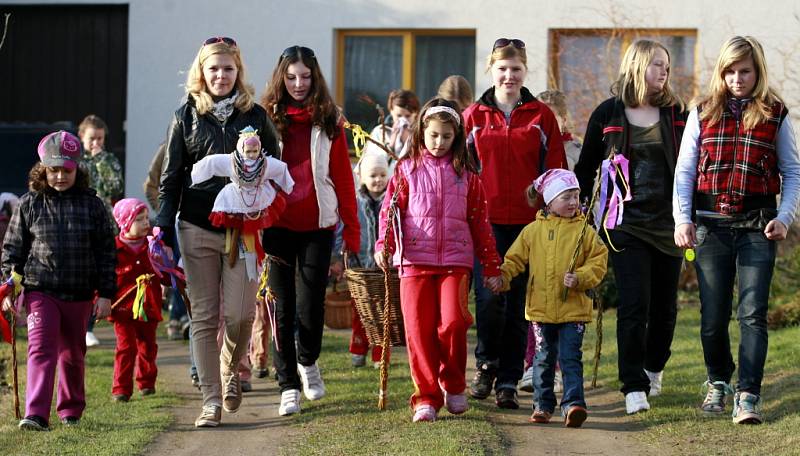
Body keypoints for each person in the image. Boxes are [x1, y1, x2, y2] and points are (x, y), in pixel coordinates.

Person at [673, 36, 800, 425]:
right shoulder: (703, 112)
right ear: (721, 72)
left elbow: (792, 171)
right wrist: (683, 219)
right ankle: (718, 381)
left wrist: (785, 216)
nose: (737, 78)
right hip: (710, 229)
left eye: (744, 71)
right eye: (730, 71)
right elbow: (685, 170)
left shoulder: (775, 114)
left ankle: (748, 394)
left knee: (752, 314)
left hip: (758, 228)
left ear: (757, 71)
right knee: (713, 317)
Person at [156, 36, 281, 428]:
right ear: (202, 72)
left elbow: (274, 168)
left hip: (244, 230)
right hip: (196, 226)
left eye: (228, 69)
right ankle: (210, 399)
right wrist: (162, 221)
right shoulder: (185, 117)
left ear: (237, 71)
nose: (221, 76)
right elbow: (172, 176)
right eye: (214, 69)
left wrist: (268, 212)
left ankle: (231, 368)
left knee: (242, 315)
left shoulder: (256, 116)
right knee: (206, 317)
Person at [574, 40, 688, 414]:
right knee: (634, 304)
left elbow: (692, 166)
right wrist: (587, 213)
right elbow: (586, 165)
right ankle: (633, 385)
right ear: (638, 66)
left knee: (665, 309)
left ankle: (654, 367)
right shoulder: (608, 112)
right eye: (657, 65)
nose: (664, 72)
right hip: (625, 226)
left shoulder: (678, 113)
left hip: (670, 226)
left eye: (667, 67)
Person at [375, 98, 503, 422]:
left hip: (455, 262)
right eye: (433, 135)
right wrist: (384, 244)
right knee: (418, 330)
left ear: (456, 137)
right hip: (414, 261)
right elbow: (390, 211)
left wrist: (490, 264)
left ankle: (454, 384)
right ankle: (427, 397)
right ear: (422, 133)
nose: (439, 143)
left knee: (454, 323)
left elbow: (480, 222)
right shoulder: (407, 170)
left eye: (446, 137)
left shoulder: (468, 175)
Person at [462, 37, 567, 409]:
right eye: (502, 69)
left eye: (516, 69)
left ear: (525, 71)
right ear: (492, 69)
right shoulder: (473, 116)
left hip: (529, 225)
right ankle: (486, 365)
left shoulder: (541, 116)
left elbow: (555, 170)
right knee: (490, 299)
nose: (509, 76)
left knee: (519, 302)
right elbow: (460, 171)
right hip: (485, 224)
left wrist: (555, 214)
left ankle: (508, 379)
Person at [260, 45, 359, 416]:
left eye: (305, 77)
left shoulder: (331, 119)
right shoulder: (264, 117)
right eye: (291, 77)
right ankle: (287, 385)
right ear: (281, 78)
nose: (298, 84)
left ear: (315, 78)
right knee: (281, 307)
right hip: (276, 223)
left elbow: (344, 179)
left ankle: (308, 361)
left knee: (310, 303)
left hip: (319, 223)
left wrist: (352, 231)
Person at [1, 131, 116, 431]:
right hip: (42, 291)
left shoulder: (93, 205)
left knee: (73, 354)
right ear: (43, 169)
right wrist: (9, 287)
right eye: (54, 170)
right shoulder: (29, 204)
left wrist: (105, 293)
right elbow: (13, 251)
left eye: (67, 170)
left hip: (79, 293)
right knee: (40, 349)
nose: (61, 176)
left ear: (77, 169)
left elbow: (106, 252)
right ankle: (36, 413)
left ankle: (70, 411)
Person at [496, 168, 607, 427]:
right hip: (540, 309)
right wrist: (502, 276)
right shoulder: (532, 231)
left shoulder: (585, 232)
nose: (573, 203)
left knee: (570, 357)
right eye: (566, 197)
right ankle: (542, 405)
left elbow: (599, 261)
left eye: (576, 196)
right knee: (543, 358)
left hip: (574, 309)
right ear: (549, 201)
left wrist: (580, 277)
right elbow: (514, 259)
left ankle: (573, 405)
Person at [519, 89, 585, 393]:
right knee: (540, 300)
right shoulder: (531, 145)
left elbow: (586, 187)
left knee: (565, 302)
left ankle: (558, 366)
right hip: (542, 233)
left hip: (570, 236)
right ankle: (534, 364)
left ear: (564, 118)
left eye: (552, 117)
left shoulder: (575, 150)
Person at [191, 125, 294, 280]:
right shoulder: (231, 161)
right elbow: (211, 162)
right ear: (241, 148)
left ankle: (255, 271)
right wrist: (194, 176)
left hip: (258, 198)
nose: (251, 155)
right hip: (235, 197)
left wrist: (288, 185)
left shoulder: (265, 164)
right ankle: (232, 256)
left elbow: (281, 169)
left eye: (255, 151)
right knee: (234, 238)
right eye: (248, 151)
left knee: (255, 238)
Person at [335, 151, 392, 368]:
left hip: (384, 265)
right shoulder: (356, 202)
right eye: (373, 176)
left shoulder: (391, 200)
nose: (378, 180)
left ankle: (380, 353)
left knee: (383, 311)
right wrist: (342, 254)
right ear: (362, 178)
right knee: (361, 309)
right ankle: (358, 347)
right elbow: (344, 227)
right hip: (360, 263)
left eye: (382, 175)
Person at [108, 198, 166, 402]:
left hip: (149, 307)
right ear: (124, 222)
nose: (146, 223)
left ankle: (147, 383)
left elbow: (165, 273)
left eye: (146, 218)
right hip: (124, 310)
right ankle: (121, 389)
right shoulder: (113, 249)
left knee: (148, 345)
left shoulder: (153, 245)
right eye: (139, 219)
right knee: (126, 347)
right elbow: (106, 277)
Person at [79, 114, 123, 348]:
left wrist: (101, 160)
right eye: (92, 139)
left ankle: (92, 324)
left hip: (106, 223)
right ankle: (84, 327)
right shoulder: (76, 162)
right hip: (82, 223)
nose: (96, 143)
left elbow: (115, 186)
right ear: (82, 138)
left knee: (102, 273)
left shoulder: (109, 159)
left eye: (100, 138)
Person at [366, 89, 420, 162]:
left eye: (408, 116)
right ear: (391, 111)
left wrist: (409, 143)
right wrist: (391, 145)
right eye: (399, 116)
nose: (403, 120)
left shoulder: (422, 134)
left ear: (415, 113)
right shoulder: (380, 132)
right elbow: (373, 162)